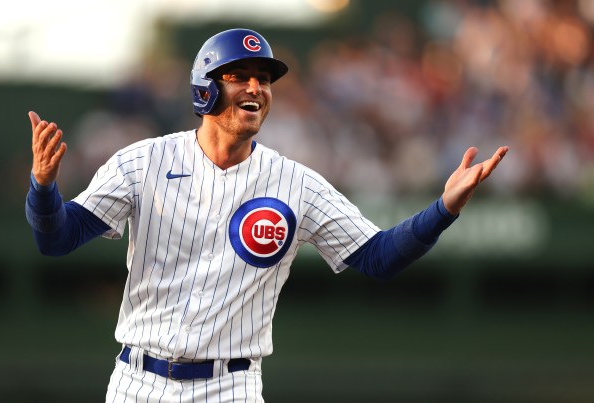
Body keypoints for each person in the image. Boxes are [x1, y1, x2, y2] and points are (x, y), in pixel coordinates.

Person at [26, 28, 508, 402]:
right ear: (205, 90)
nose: (256, 86)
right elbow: (58, 238)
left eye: (265, 78)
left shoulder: (297, 183)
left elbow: (379, 257)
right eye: (240, 75)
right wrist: (43, 190)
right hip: (138, 379)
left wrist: (443, 209)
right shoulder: (141, 161)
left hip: (230, 385)